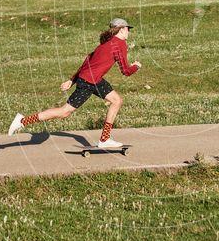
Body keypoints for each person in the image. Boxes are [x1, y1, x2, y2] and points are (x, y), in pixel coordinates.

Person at [8, 18, 141, 148]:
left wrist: (72, 80)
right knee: (64, 112)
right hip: (89, 82)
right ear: (122, 29)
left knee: (116, 100)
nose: (129, 32)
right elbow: (126, 71)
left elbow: (88, 60)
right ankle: (22, 121)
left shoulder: (107, 43)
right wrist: (136, 66)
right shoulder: (119, 44)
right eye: (128, 29)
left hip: (93, 79)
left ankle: (105, 139)